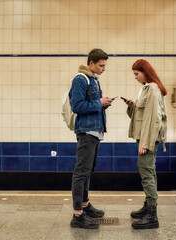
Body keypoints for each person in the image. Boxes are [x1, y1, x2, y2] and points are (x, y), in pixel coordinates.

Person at [69, 48, 113, 229]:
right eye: (101, 65)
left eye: (104, 65)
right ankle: (77, 215)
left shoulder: (94, 80)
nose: (104, 68)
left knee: (88, 171)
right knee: (81, 172)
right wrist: (98, 103)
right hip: (86, 132)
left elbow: (92, 105)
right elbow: (77, 106)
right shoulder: (81, 80)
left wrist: (104, 104)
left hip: (95, 132)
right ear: (91, 63)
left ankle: (85, 205)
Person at [124, 59, 167, 229]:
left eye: (136, 74)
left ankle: (152, 215)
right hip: (145, 137)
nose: (135, 77)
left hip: (147, 139)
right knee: (149, 171)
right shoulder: (146, 89)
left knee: (146, 173)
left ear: (145, 72)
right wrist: (133, 107)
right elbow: (142, 116)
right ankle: (148, 206)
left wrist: (145, 143)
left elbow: (152, 119)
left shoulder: (152, 89)